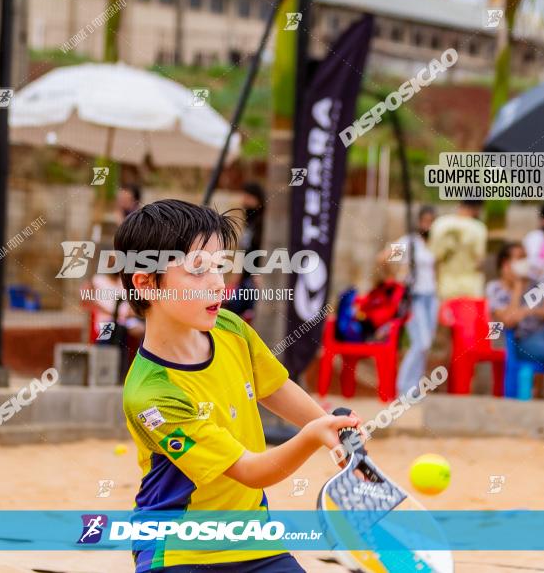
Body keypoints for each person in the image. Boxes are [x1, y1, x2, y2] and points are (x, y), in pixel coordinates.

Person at [114, 199, 360, 573]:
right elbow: (251, 470)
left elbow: (275, 387)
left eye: (219, 267)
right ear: (147, 283)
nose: (218, 283)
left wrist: (333, 431)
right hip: (180, 552)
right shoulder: (151, 394)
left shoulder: (231, 329)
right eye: (198, 271)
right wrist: (313, 436)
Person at [486, 242, 544, 401]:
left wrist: (530, 310)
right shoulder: (495, 288)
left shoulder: (536, 283)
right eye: (520, 258)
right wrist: (517, 287)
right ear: (506, 264)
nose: (525, 262)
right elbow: (509, 321)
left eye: (525, 257)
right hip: (522, 341)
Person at [379, 206, 437, 394]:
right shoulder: (410, 243)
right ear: (419, 221)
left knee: (425, 346)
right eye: (425, 220)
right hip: (414, 297)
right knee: (421, 343)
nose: (428, 225)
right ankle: (403, 388)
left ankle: (415, 389)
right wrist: (396, 279)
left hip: (431, 297)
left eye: (432, 221)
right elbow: (383, 258)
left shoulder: (434, 244)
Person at [427, 200, 487, 301]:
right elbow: (479, 262)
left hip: (445, 285)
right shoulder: (478, 228)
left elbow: (434, 259)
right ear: (477, 208)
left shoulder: (439, 223)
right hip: (470, 287)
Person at [223, 182, 265, 319]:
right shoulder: (249, 220)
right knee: (232, 308)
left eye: (248, 197)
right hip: (245, 274)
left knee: (245, 311)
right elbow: (245, 250)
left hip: (254, 275)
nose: (244, 201)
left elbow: (260, 249)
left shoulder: (264, 222)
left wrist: (258, 272)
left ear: (256, 198)